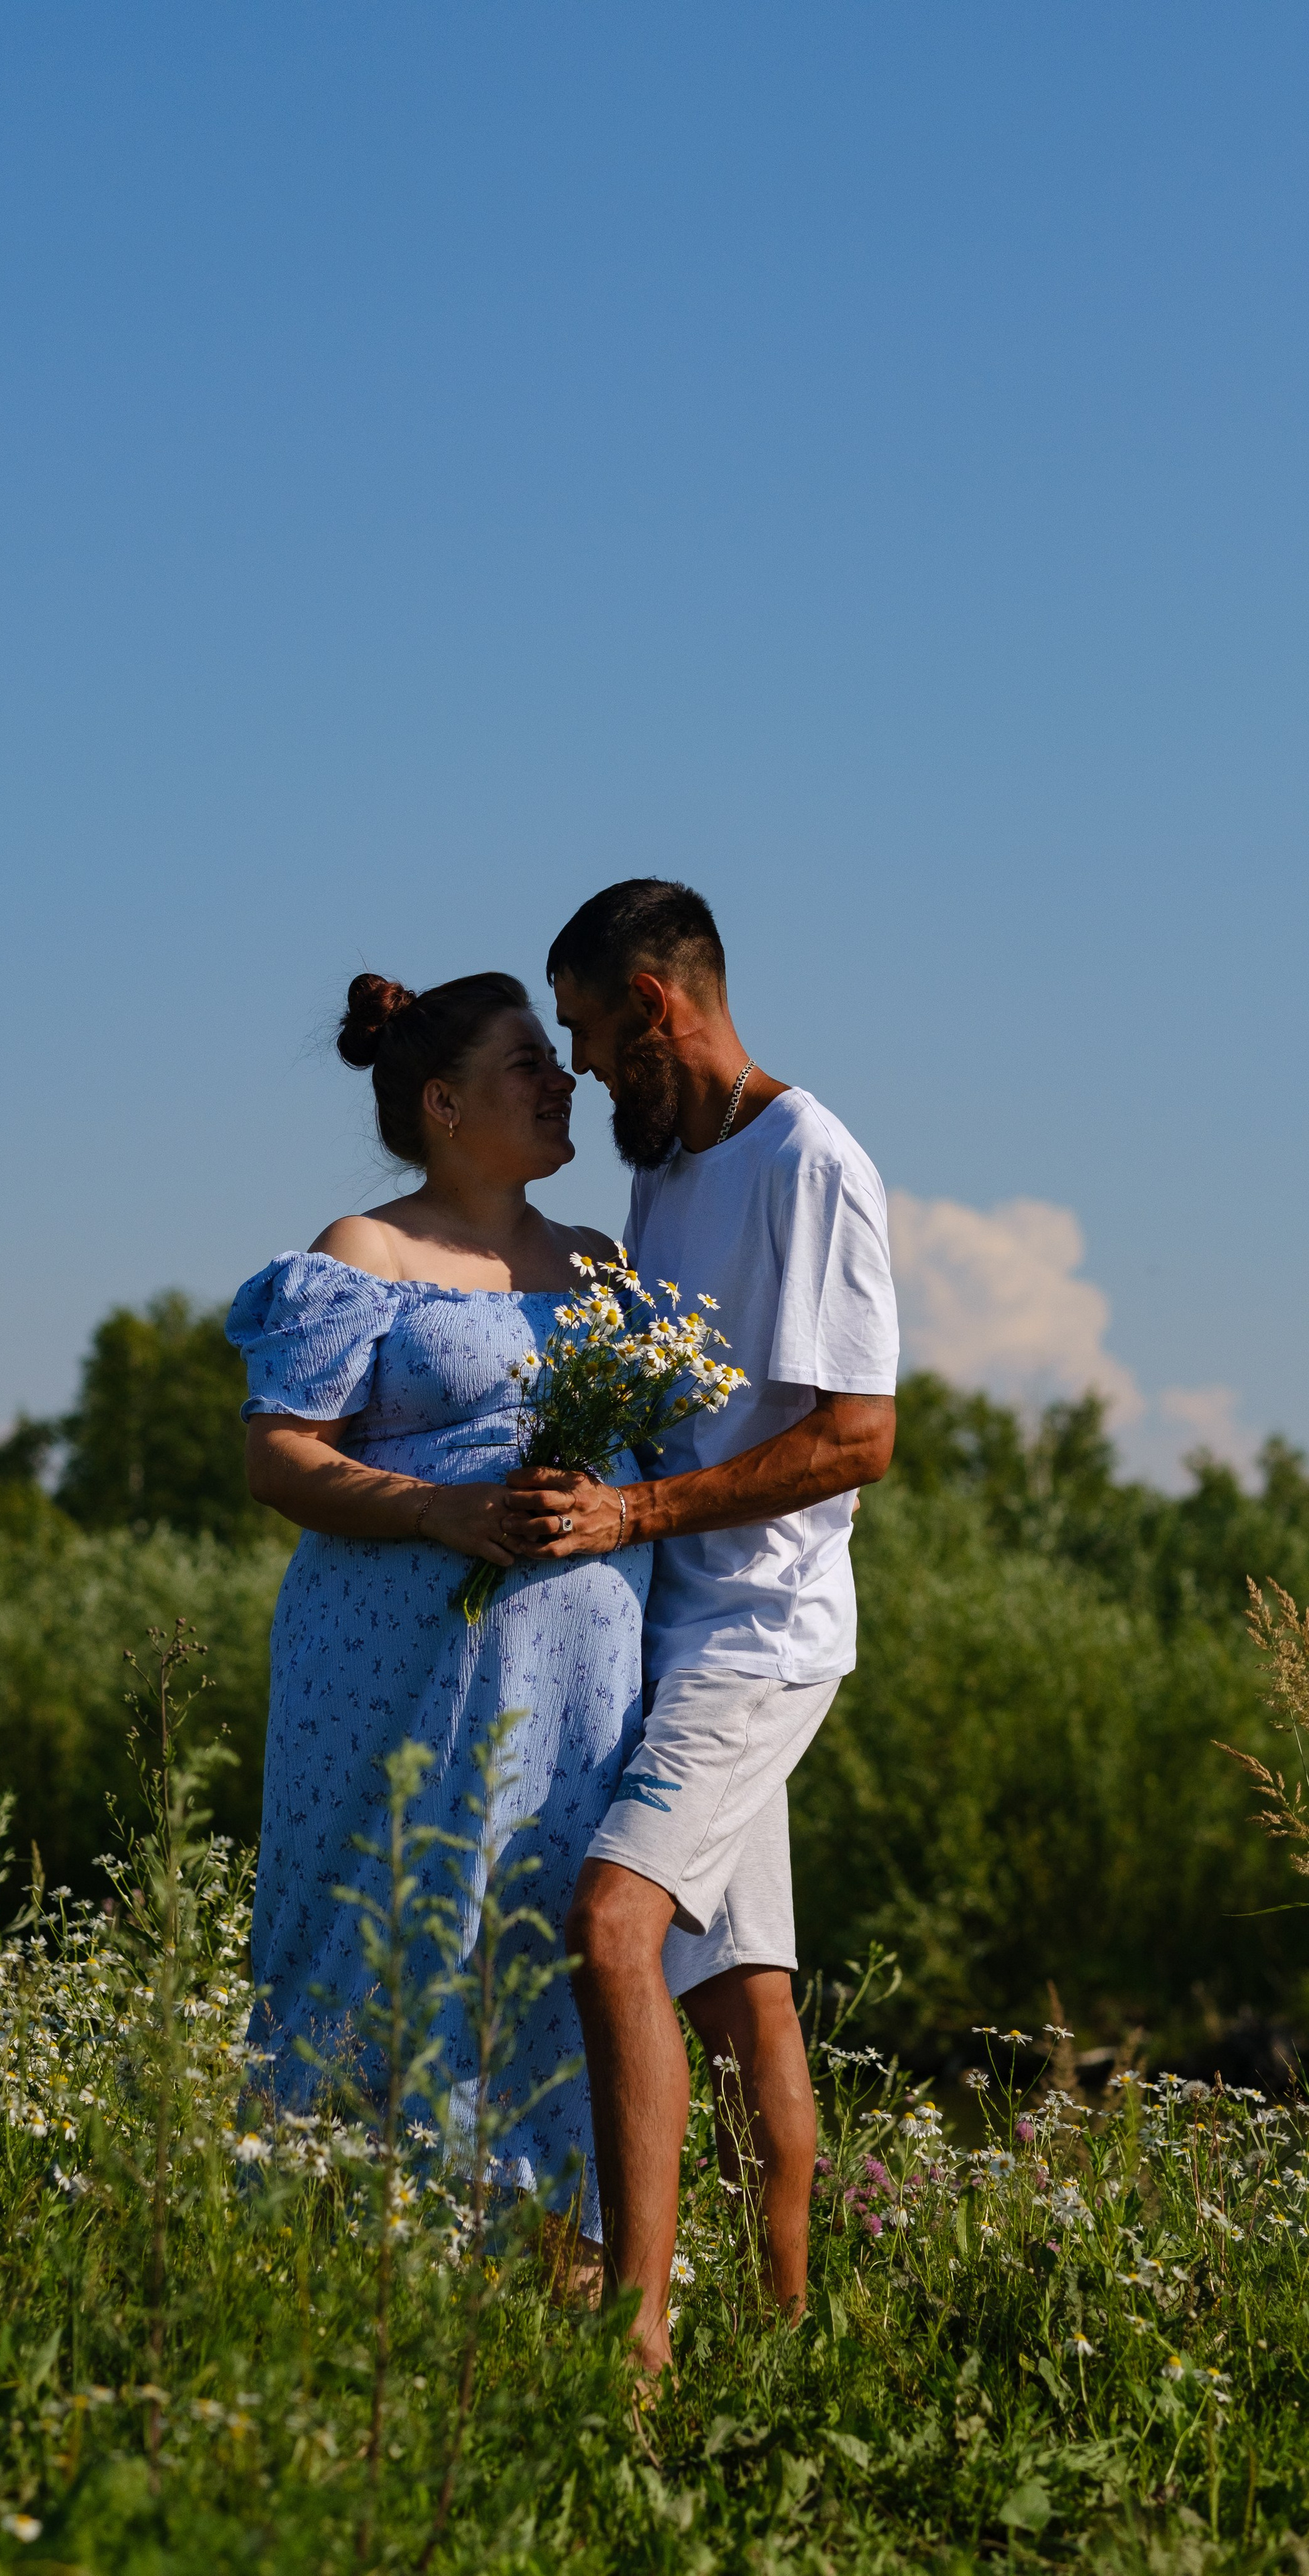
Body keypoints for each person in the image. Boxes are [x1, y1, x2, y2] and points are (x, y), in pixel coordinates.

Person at [500, 879, 899, 2372]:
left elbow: (856, 1438)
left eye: (595, 1035)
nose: (587, 1068)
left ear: (658, 1009)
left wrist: (634, 1519)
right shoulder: (667, 1171)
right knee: (741, 2000)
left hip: (756, 1639)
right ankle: (796, 2353)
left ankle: (640, 2338)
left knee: (610, 1929)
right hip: (667, 1635)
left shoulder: (810, 1162)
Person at [227, 969, 650, 2256]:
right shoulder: (368, 1251)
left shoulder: (599, 1263)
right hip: (394, 1665)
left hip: (582, 1672)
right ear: (445, 1104)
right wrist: (437, 1512)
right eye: (529, 1062)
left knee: (547, 1934)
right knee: (387, 1924)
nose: (562, 1079)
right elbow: (278, 1455)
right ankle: (342, 2251)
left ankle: (560, 2270)